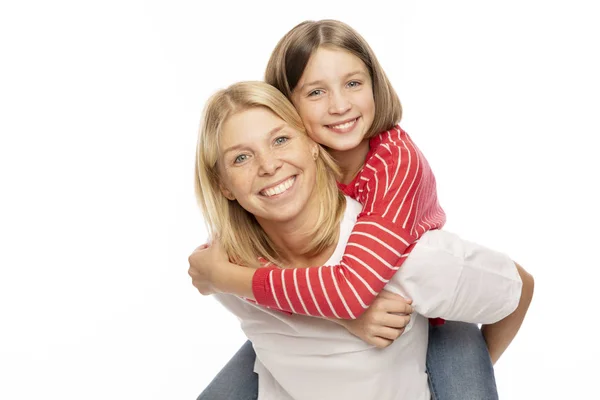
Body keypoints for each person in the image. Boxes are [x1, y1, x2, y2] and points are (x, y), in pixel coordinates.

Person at [192, 19, 534, 399]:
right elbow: (235, 238)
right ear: (286, 107)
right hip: (319, 303)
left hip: (433, 314)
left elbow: (352, 291)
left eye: (353, 83)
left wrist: (222, 277)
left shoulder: (395, 166)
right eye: (316, 91)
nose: (339, 106)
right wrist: (343, 318)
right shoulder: (290, 168)